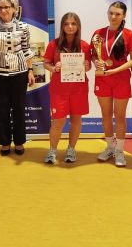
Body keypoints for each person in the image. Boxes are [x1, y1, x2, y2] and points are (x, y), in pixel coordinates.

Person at [0, 0, 35, 156]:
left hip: (20, 72)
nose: (3, 10)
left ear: (14, 8)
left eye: (6, 7)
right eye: (0, 7)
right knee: (2, 109)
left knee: (19, 109)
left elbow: (26, 50)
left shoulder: (23, 27)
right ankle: (5, 142)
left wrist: (30, 71)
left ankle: (19, 142)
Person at [92, 1, 132, 167]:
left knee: (119, 116)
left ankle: (119, 150)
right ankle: (110, 147)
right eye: (111, 13)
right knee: (106, 115)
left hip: (121, 79)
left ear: (124, 16)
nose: (113, 16)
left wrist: (115, 70)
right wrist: (96, 62)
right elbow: (93, 55)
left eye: (117, 14)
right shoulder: (98, 33)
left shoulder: (129, 35)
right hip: (102, 78)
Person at [42, 12, 91, 164]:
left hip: (79, 89)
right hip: (59, 90)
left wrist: (87, 66)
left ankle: (71, 149)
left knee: (76, 120)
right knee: (58, 121)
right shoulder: (54, 44)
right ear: (62, 26)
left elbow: (88, 66)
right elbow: (46, 63)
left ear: (78, 26)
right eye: (66, 24)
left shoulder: (84, 45)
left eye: (73, 24)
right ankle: (52, 150)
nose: (70, 27)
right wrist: (54, 68)